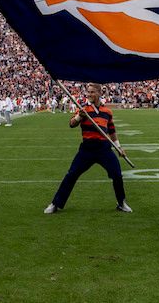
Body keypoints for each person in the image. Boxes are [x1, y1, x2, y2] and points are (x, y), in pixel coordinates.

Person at [45, 83, 131, 214]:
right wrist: (80, 116)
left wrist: (119, 148)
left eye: (92, 92)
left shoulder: (107, 111)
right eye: (88, 92)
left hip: (104, 149)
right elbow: (71, 124)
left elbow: (112, 131)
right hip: (87, 149)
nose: (89, 94)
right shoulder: (83, 108)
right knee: (71, 175)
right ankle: (55, 203)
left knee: (117, 174)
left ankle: (121, 202)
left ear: (99, 93)